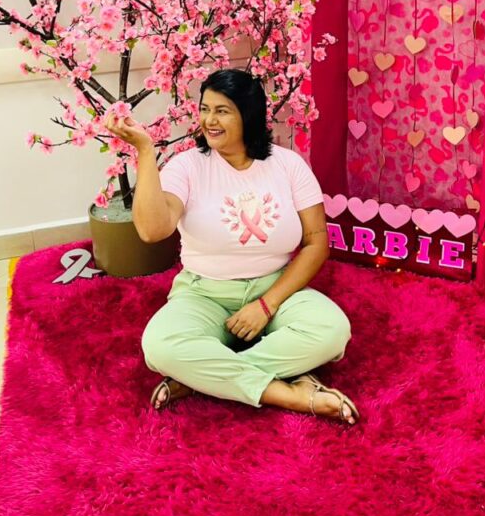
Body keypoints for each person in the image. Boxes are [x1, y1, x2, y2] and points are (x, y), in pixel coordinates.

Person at [104, 68, 359, 426]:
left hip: (276, 287)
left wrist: (266, 305)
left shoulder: (288, 165)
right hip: (203, 292)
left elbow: (317, 242)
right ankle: (290, 393)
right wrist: (145, 152)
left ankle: (200, 379)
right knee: (160, 346)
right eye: (205, 109)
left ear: (248, 115)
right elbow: (151, 230)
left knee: (332, 331)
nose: (209, 120)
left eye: (222, 111)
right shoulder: (187, 166)